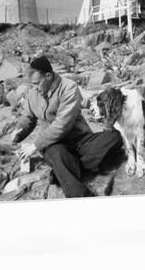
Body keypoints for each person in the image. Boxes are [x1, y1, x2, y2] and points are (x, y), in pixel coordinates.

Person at [12, 56, 122, 198]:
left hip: (80, 140)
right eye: (32, 85)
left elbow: (62, 124)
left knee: (114, 137)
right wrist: (18, 132)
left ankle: (65, 170)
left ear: (48, 76)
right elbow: (28, 117)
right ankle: (81, 195)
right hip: (54, 145)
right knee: (58, 155)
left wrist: (34, 146)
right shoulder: (33, 94)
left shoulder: (68, 87)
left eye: (37, 84)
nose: (34, 89)